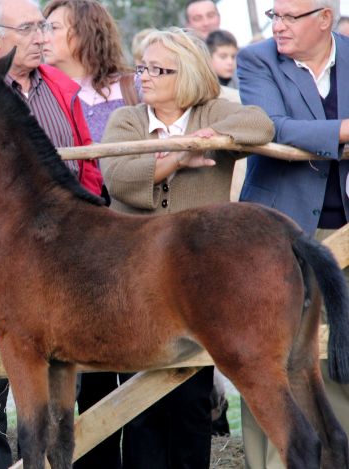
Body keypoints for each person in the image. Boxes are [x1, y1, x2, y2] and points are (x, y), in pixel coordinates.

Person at [101, 28, 273, 469]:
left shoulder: (214, 111)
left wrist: (209, 136)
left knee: (192, 399)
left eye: (159, 69)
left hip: (198, 288)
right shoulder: (127, 119)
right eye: (142, 67)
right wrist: (179, 155)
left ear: (190, 74)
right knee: (139, 405)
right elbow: (119, 179)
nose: (146, 77)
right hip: (135, 283)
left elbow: (260, 124)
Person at [0, 0, 103, 469]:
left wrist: (90, 222)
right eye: (29, 30)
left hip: (68, 257)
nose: (42, 38)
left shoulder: (62, 88)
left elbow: (88, 164)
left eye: (43, 28)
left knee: (67, 373)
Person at [237, 0, 349, 467]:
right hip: (276, 235)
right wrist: (343, 132)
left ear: (325, 18)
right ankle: (268, 463)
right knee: (265, 354)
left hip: (344, 230)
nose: (276, 25)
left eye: (289, 16)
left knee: (340, 350)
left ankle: (337, 456)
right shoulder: (256, 60)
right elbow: (270, 124)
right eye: (272, 14)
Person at [42, 0, 136, 468]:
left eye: (54, 26)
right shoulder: (46, 90)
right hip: (77, 241)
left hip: (133, 235)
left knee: (137, 352)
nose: (44, 35)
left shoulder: (126, 88)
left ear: (82, 32)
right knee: (90, 360)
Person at [43, 0, 137, 142]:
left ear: (86, 32)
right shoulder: (41, 94)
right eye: (44, 29)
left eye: (54, 28)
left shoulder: (133, 87)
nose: (43, 38)